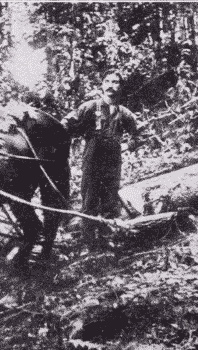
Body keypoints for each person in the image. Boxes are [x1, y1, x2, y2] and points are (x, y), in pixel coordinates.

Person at [61, 70, 140, 249]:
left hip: (113, 160)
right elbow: (65, 124)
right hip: (92, 159)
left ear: (121, 87)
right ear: (102, 85)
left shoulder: (124, 113)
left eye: (115, 82)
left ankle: (107, 239)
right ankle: (88, 243)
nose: (111, 85)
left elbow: (139, 133)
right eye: (107, 81)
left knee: (110, 200)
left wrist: (129, 145)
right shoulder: (89, 107)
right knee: (89, 200)